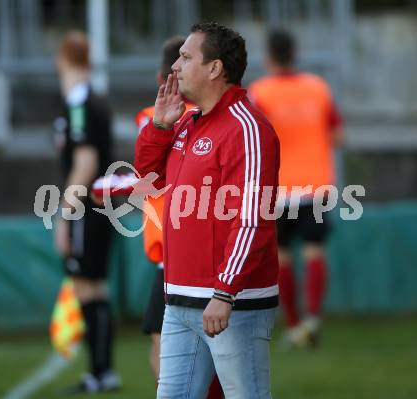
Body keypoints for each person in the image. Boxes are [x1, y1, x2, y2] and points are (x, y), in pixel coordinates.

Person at [135, 22, 280, 399]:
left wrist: (225, 292)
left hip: (231, 305)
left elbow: (253, 219)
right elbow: (149, 182)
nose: (175, 67)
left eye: (185, 57)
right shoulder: (186, 124)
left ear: (215, 68)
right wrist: (160, 127)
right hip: (180, 301)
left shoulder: (248, 128)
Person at [136, 35, 223, 399]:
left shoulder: (159, 117)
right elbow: (148, 169)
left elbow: (146, 180)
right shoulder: (188, 118)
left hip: (176, 255)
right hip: (186, 255)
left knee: (171, 348)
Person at [249, 30, 343, 347]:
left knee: (283, 256)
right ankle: (313, 317)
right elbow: (338, 135)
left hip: (278, 189)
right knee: (315, 250)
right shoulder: (318, 88)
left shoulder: (260, 92)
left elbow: (253, 139)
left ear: (268, 57)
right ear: (295, 52)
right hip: (315, 186)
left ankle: (292, 325)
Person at [54, 31, 120, 393]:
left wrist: (64, 215)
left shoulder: (79, 102)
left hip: (87, 209)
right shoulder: (95, 100)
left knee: (86, 287)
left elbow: (85, 161)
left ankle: (99, 372)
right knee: (95, 288)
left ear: (61, 59)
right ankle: (103, 370)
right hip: (100, 207)